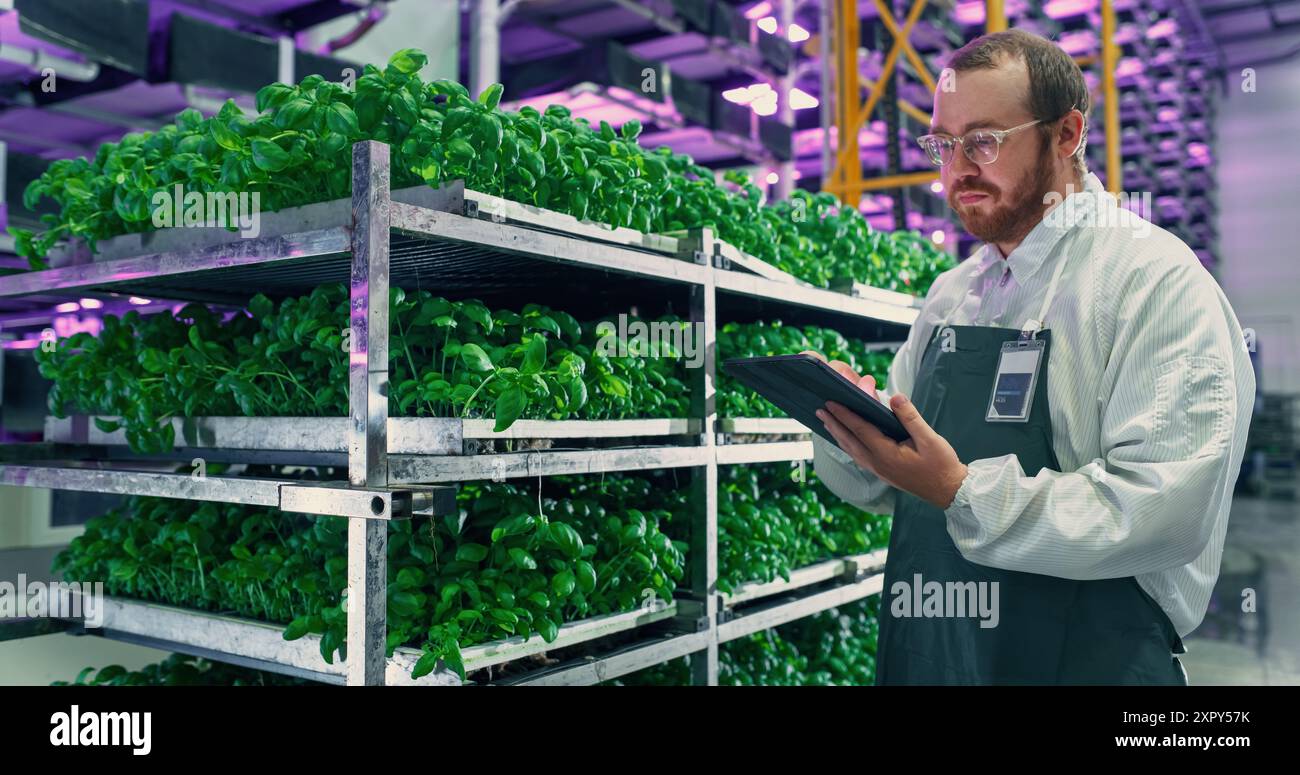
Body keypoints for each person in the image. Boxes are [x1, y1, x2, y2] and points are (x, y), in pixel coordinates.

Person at [805, 29, 1254, 685]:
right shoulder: (952, 297)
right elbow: (888, 483)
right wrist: (849, 426)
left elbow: (1163, 512)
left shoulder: (1152, 282)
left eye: (984, 140)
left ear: (1067, 134)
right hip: (937, 657)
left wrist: (962, 492)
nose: (957, 168)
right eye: (943, 144)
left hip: (1091, 663)